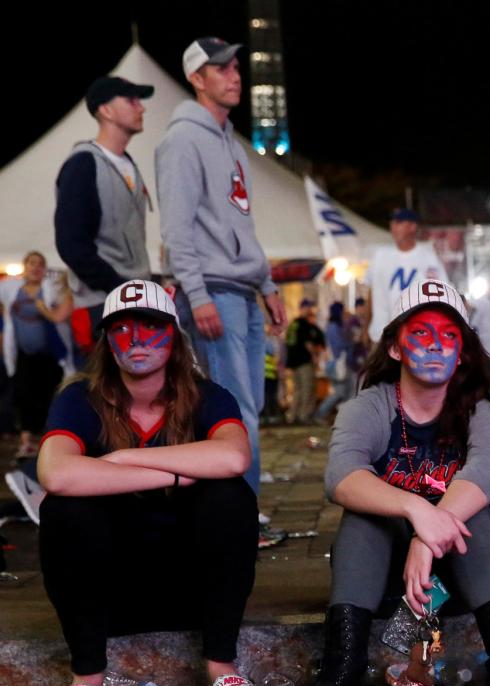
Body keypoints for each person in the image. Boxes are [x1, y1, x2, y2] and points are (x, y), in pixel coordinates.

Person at [291, 278, 490, 686]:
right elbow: (340, 476)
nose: (436, 345)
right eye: (421, 333)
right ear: (396, 347)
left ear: (463, 353)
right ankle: (342, 675)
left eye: (450, 336)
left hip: (456, 582)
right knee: (363, 519)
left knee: (474, 519)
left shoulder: (483, 406)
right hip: (381, 585)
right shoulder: (369, 407)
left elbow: (487, 470)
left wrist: (428, 535)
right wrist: (418, 511)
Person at [38, 279, 261, 686]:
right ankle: (88, 677)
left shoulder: (207, 396)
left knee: (230, 496)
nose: (137, 339)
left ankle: (222, 666)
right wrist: (180, 471)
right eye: (122, 329)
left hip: (189, 591)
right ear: (107, 342)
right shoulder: (79, 399)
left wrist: (122, 461)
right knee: (64, 509)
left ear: (175, 337)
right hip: (112, 593)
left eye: (150, 326)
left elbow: (234, 457)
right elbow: (56, 473)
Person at [155, 37, 287, 495]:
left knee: (244, 408)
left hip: (240, 290)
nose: (234, 76)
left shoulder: (228, 140)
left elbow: (241, 222)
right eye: (221, 69)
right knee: (233, 409)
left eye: (235, 67)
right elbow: (176, 229)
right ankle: (239, 511)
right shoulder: (182, 140)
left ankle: (242, 509)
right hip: (213, 290)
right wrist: (197, 293)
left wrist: (267, 284)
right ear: (196, 78)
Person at [54, 75, 155, 356]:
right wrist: (119, 287)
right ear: (106, 110)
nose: (141, 107)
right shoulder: (83, 165)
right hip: (102, 305)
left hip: (131, 300)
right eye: (131, 100)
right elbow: (71, 245)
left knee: (137, 396)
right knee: (108, 396)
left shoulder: (128, 165)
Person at [0, 253, 74, 460]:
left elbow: (64, 312)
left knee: (47, 396)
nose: (36, 268)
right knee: (24, 396)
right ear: (25, 266)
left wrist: (45, 309)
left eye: (41, 264)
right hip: (23, 354)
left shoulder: (52, 290)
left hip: (49, 356)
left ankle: (47, 444)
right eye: (32, 263)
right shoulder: (11, 288)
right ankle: (26, 443)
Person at [365, 208, 448, 343]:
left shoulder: (428, 258)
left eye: (399, 222)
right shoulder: (380, 255)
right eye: (392, 222)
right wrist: (365, 327)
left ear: (412, 226)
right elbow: (370, 292)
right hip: (380, 335)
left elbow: (440, 296)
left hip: (415, 337)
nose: (393, 227)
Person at [284, 299, 325, 424]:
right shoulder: (303, 324)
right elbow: (307, 343)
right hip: (304, 361)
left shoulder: (293, 324)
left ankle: (293, 416)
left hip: (293, 362)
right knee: (307, 389)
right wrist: (314, 356)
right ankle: (304, 416)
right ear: (302, 308)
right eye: (307, 307)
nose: (309, 310)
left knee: (298, 390)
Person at [316, 302, 354, 422]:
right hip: (336, 364)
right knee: (340, 392)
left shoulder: (332, 326)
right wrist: (351, 342)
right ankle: (320, 414)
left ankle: (340, 416)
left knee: (344, 392)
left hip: (334, 364)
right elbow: (338, 346)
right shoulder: (334, 327)